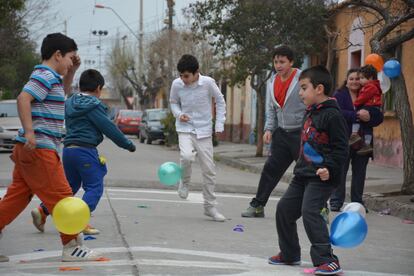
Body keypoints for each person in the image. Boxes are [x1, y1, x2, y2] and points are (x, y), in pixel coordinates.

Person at [0, 33, 100, 262]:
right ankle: (72, 247)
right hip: (39, 149)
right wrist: (31, 133)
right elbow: (23, 99)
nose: (71, 62)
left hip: (30, 151)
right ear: (57, 55)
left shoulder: (52, 78)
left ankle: (73, 245)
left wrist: (72, 72)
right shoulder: (44, 75)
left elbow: (61, 94)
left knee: (17, 197)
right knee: (63, 198)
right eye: (70, 58)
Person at [31, 69, 136, 235]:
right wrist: (127, 144)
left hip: (68, 151)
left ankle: (42, 210)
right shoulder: (94, 106)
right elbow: (109, 128)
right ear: (98, 88)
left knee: (69, 187)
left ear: (80, 86)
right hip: (85, 150)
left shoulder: (70, 102)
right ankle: (79, 221)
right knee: (94, 187)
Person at [269, 65, 348, 275]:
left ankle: (328, 260)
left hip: (322, 177)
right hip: (303, 174)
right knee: (284, 210)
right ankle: (290, 253)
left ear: (319, 89)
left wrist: (329, 168)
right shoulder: (311, 112)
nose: (300, 93)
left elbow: (341, 149)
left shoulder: (332, 116)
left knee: (310, 212)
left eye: (304, 88)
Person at [241, 45, 306, 218]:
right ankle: (257, 206)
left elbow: (311, 104)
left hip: (301, 134)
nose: (278, 65)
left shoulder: (303, 79)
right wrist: (268, 129)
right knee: (270, 170)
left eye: (282, 62)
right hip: (281, 134)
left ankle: (320, 208)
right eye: (276, 61)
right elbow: (272, 109)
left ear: (291, 62)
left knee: (308, 171)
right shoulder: (272, 82)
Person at [169, 54, 226, 222]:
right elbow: (173, 102)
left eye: (186, 75)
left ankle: (210, 207)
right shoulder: (176, 84)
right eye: (181, 75)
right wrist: (179, 114)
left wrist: (219, 124)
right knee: (186, 156)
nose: (183, 79)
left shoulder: (208, 83)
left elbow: (220, 101)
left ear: (196, 73)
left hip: (204, 131)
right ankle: (184, 182)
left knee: (209, 169)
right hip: (185, 129)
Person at [329, 69, 383, 212]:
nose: (354, 81)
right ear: (346, 81)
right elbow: (336, 113)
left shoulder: (368, 92)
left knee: (359, 173)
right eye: (351, 79)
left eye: (357, 78)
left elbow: (379, 116)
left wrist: (370, 116)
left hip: (363, 142)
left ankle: (357, 202)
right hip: (343, 140)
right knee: (341, 171)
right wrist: (357, 115)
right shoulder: (339, 95)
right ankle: (336, 201)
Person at [349, 65, 382, 155]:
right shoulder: (372, 86)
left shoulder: (370, 87)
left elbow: (364, 97)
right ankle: (367, 144)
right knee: (367, 127)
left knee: (358, 114)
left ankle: (354, 134)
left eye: (362, 78)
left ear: (370, 77)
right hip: (373, 108)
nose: (359, 81)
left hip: (370, 107)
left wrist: (356, 103)